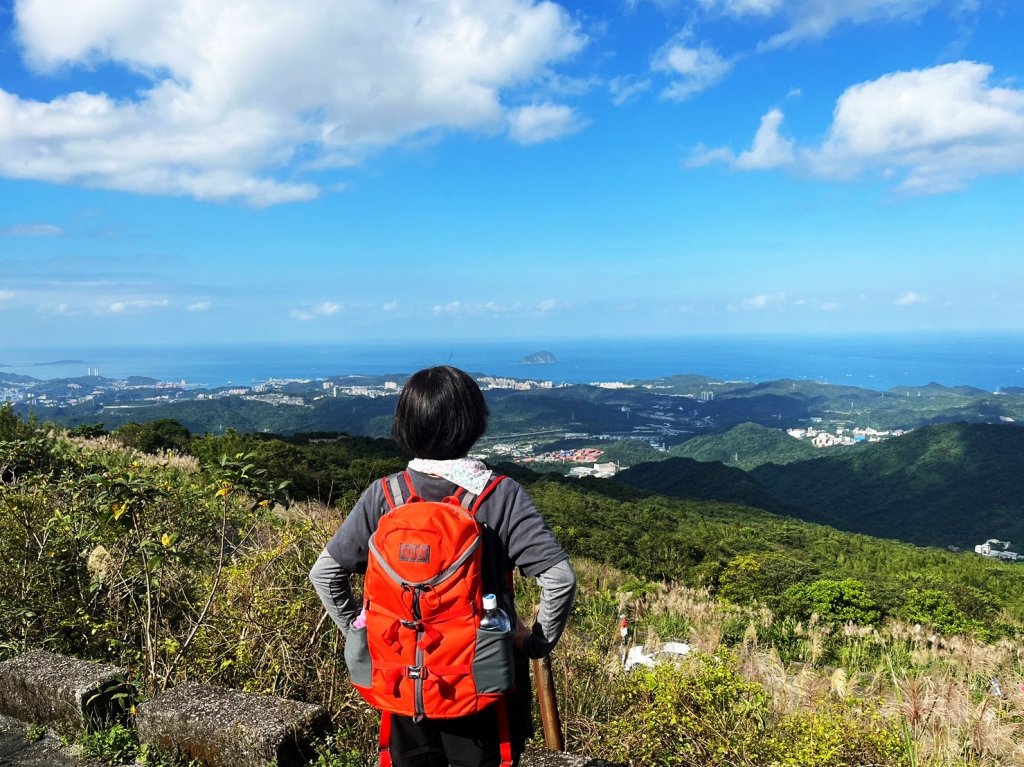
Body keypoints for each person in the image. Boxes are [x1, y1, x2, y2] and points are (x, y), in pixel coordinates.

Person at [310, 365, 576, 767]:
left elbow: (325, 575)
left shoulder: (384, 495)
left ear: (404, 424)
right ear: (474, 422)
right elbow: (559, 580)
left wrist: (363, 634)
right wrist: (535, 643)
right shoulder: (499, 496)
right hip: (482, 682)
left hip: (401, 683)